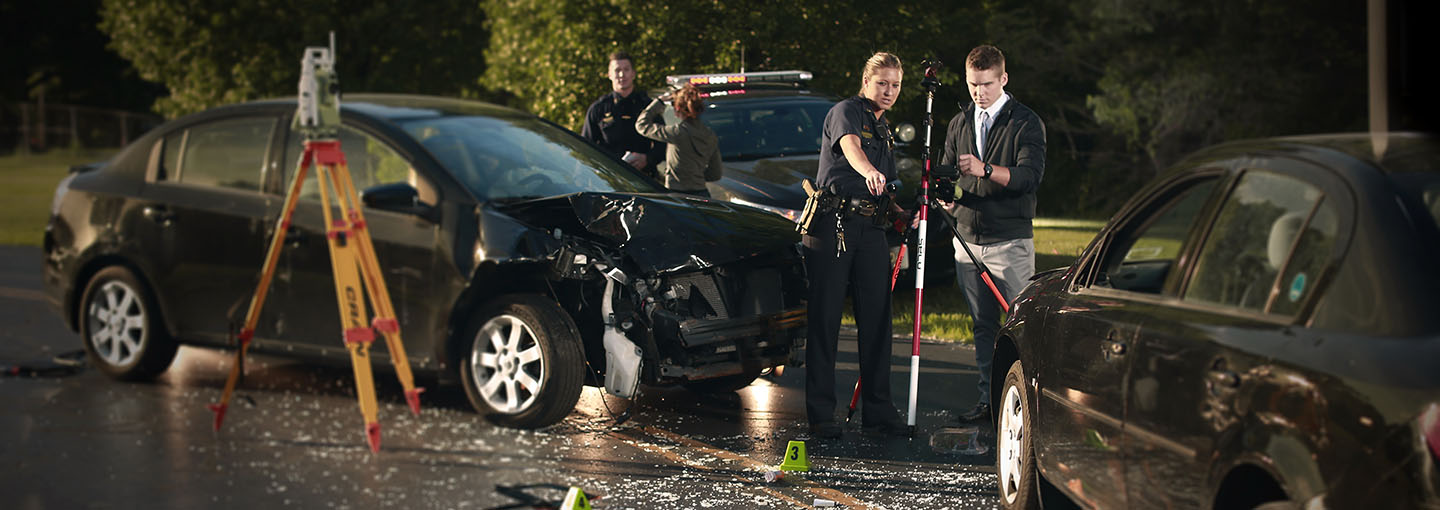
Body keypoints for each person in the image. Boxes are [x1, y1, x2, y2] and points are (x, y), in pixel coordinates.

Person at [804, 52, 909, 439]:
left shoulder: (886, 128)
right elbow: (852, 149)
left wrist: (905, 215)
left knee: (878, 322)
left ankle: (879, 412)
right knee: (826, 320)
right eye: (882, 83)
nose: (889, 91)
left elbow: (889, 186)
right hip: (834, 225)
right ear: (865, 82)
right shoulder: (845, 112)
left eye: (896, 84)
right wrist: (869, 172)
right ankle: (821, 414)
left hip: (871, 229)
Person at [940, 45, 1046, 423]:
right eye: (972, 85)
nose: (979, 92)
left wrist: (985, 169)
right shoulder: (959, 122)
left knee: (1021, 325)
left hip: (1010, 241)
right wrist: (946, 198)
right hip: (967, 240)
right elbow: (949, 175)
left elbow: (1028, 177)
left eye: (986, 84)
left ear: (1003, 79)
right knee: (982, 325)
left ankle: (1031, 404)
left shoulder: (1025, 122)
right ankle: (989, 401)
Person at [581, 51, 664, 179]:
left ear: (633, 74)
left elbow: (664, 143)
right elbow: (585, 148)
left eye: (626, 69)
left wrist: (647, 159)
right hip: (610, 180)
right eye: (617, 70)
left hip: (644, 179)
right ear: (609, 75)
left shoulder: (648, 106)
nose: (622, 75)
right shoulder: (598, 109)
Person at [634, 84, 723, 196]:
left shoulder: (677, 133)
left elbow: (642, 126)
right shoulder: (710, 135)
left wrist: (659, 102)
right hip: (702, 193)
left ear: (677, 109)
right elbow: (715, 174)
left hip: (677, 193)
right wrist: (696, 176)